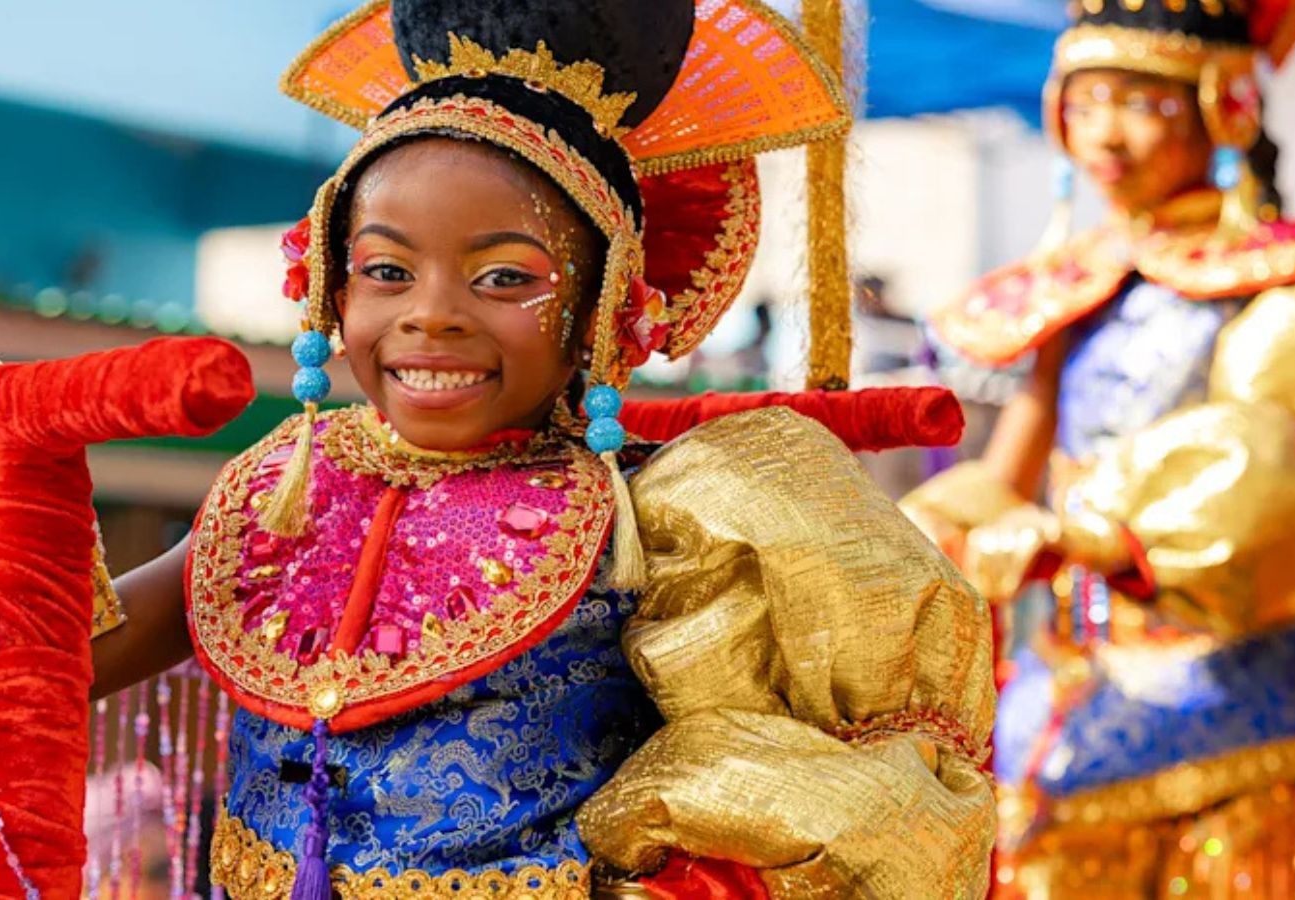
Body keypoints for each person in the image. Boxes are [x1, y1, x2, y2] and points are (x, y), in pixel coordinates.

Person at [68, 1, 995, 898]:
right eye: (387, 270)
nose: (430, 312)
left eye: (504, 277)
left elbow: (847, 802)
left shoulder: (671, 519)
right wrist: (6, 483)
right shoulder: (282, 488)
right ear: (325, 291)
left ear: (603, 310)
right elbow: (65, 660)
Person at [901, 1, 1295, 897]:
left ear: (1225, 106)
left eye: (1142, 104)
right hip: (1066, 700)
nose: (1107, 137)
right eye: (1087, 105)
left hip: (1238, 707)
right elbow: (1007, 471)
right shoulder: (1078, 285)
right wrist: (906, 541)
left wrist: (1081, 536)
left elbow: (1277, 486)